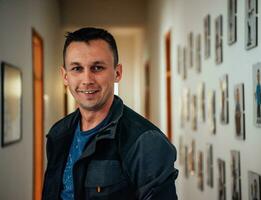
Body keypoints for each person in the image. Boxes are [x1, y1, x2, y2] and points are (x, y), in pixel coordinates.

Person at [42, 27, 178, 200]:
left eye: (97, 68)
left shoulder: (145, 142)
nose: (87, 80)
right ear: (65, 76)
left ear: (117, 73)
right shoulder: (58, 133)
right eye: (77, 68)